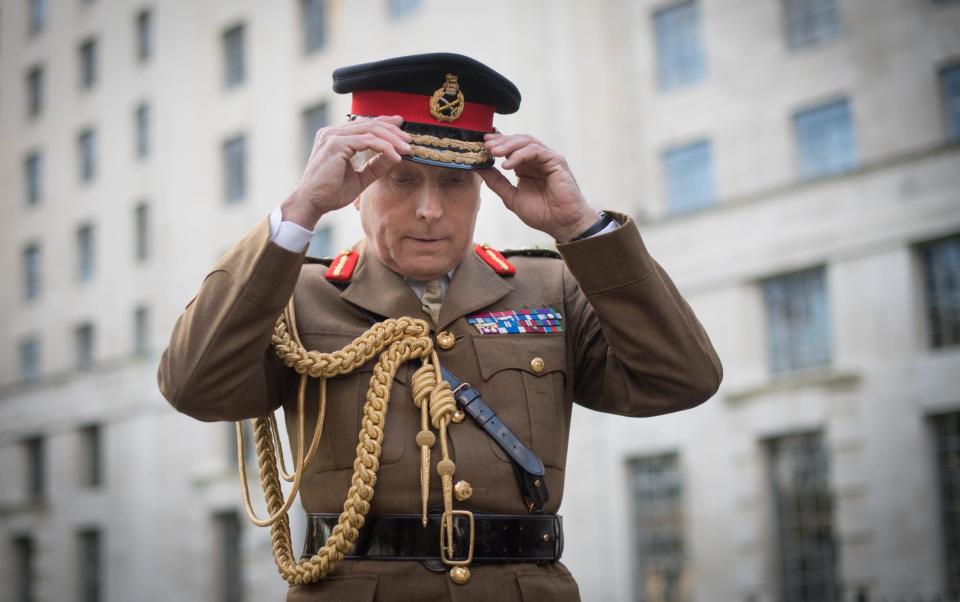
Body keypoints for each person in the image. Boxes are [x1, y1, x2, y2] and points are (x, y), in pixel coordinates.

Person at [158, 52, 722, 602]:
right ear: (357, 192)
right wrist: (301, 210)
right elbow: (194, 386)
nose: (430, 209)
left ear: (483, 189)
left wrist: (581, 228)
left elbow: (682, 378)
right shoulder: (296, 299)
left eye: (454, 183)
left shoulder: (550, 287)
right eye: (403, 181)